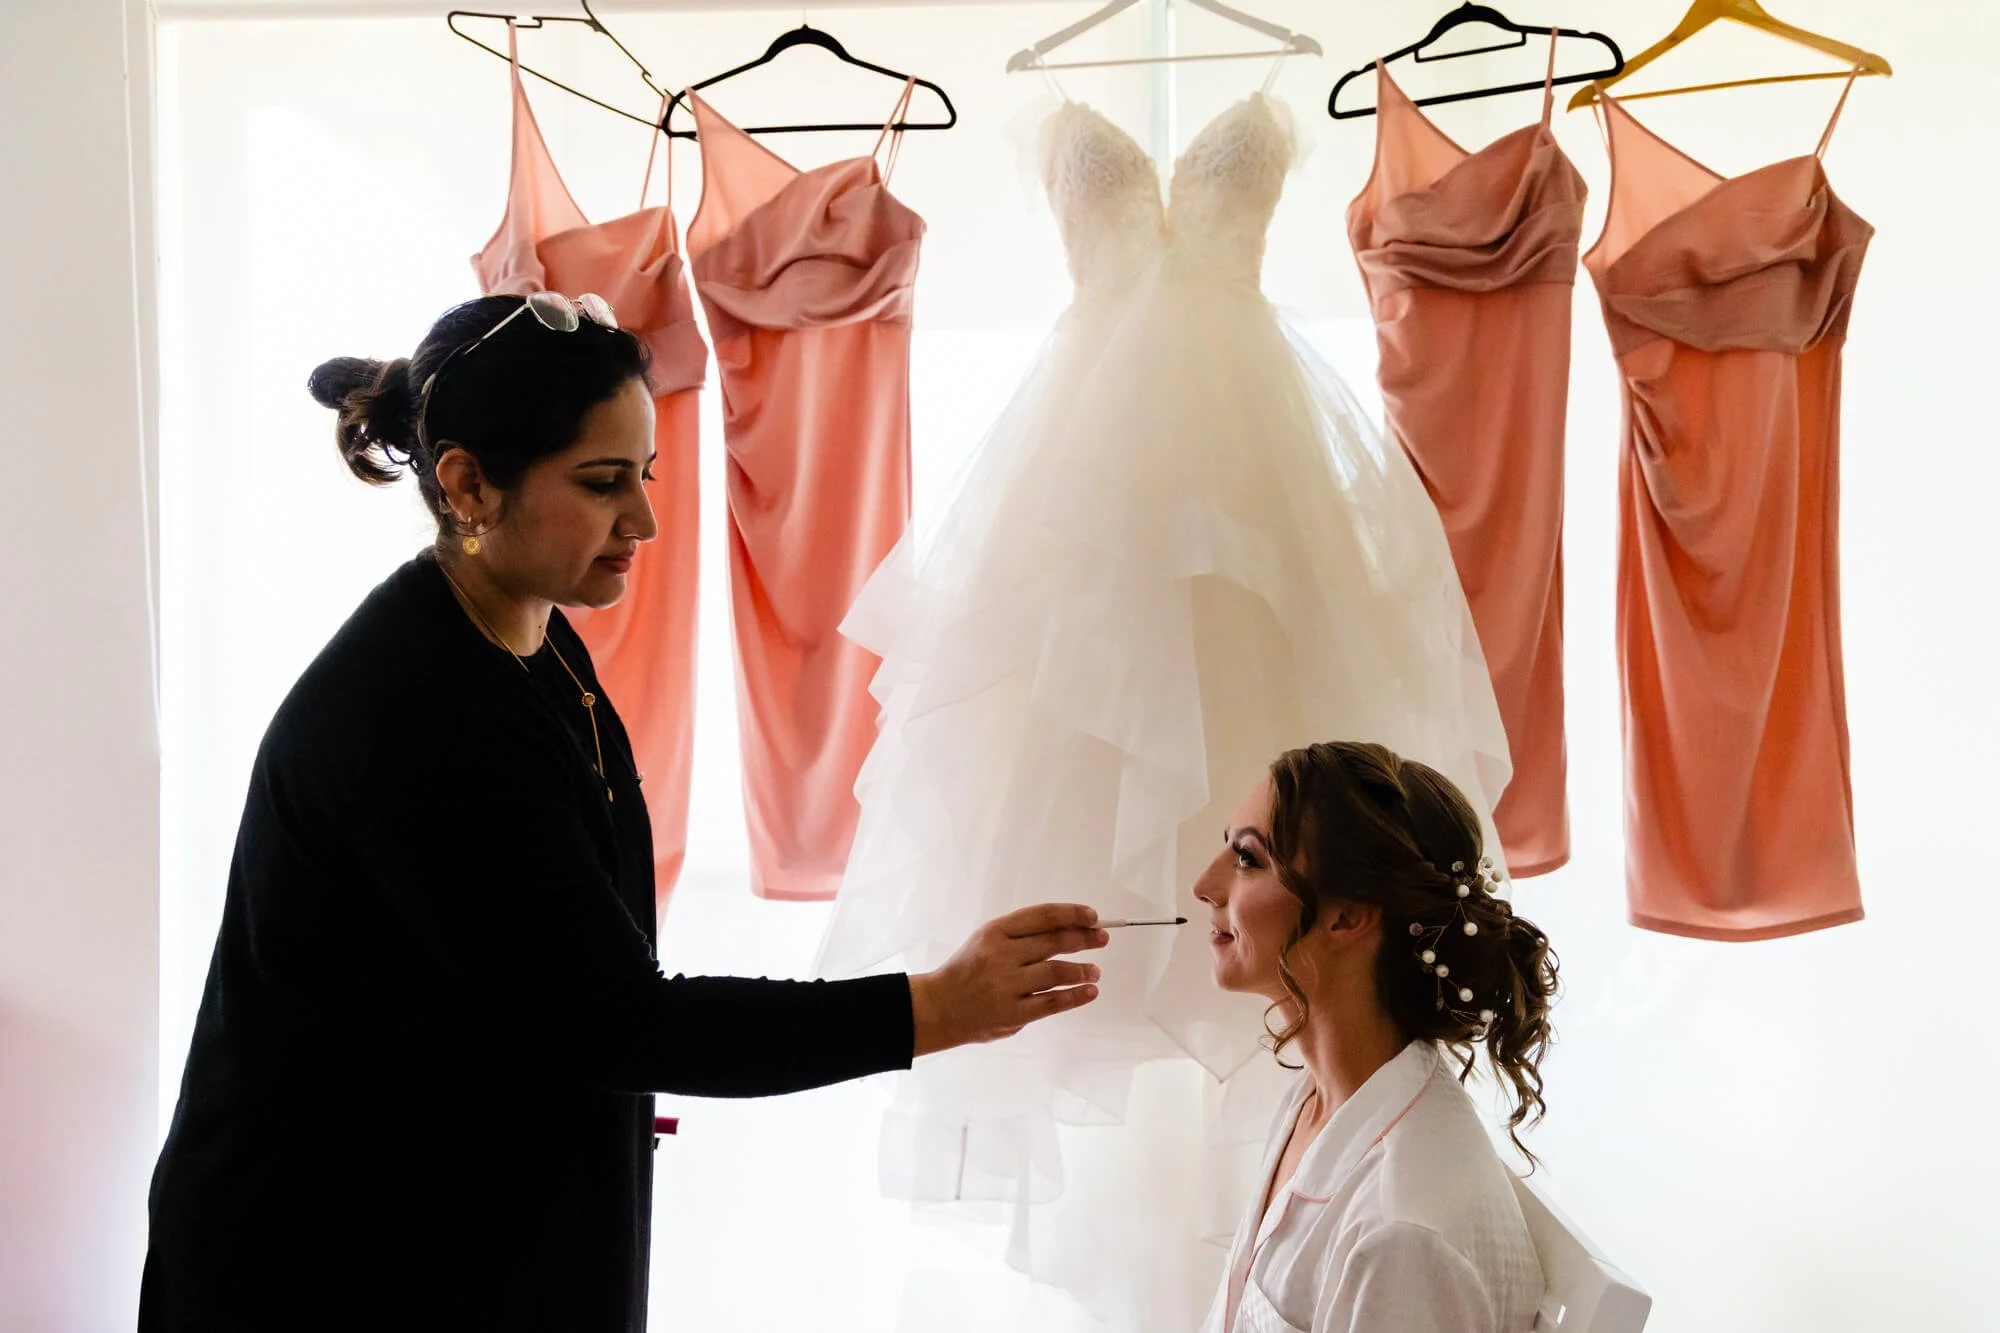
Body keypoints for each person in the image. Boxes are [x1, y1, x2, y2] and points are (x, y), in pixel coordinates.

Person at [140, 292, 1107, 1333]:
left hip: (447, 1219)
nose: (643, 521)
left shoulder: (526, 632)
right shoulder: (419, 710)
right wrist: (929, 1007)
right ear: (467, 483)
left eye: (641, 477)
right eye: (603, 484)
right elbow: (618, 1015)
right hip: (330, 1264)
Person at [1194, 741, 1559, 1333]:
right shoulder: (1318, 1100)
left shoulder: (1402, 1235)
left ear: (1346, 917)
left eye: (1248, 859)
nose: (1203, 884)